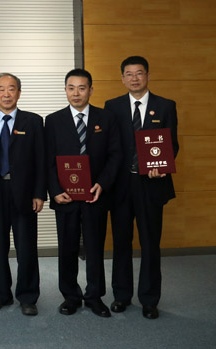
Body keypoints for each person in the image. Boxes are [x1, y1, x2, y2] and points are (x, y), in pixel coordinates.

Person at [105, 56, 178, 320]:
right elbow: (110, 147)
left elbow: (172, 144)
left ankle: (149, 299)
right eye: (129, 74)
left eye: (139, 73)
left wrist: (163, 165)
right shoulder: (112, 106)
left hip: (151, 184)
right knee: (121, 242)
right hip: (121, 186)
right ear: (122, 78)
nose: (134, 78)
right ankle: (121, 295)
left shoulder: (165, 106)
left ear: (147, 75)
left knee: (150, 243)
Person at [45, 68, 121, 318]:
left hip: (95, 195)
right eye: (71, 88)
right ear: (65, 90)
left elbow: (115, 155)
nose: (76, 93)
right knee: (67, 248)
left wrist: (103, 184)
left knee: (95, 247)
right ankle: (70, 296)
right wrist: (55, 190)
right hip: (65, 198)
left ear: (90, 90)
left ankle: (94, 297)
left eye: (81, 88)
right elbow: (47, 160)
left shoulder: (106, 118)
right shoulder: (53, 120)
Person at [0, 73, 46, 316]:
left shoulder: (33, 121)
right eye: (1, 89)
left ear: (19, 92)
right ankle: (0, 294)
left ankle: (28, 296)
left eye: (11, 89)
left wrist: (40, 193)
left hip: (25, 194)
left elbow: (41, 160)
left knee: (26, 248)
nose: (6, 94)